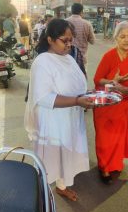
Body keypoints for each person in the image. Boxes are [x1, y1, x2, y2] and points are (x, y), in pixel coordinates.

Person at [24, 19, 94, 201]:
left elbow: (76, 85)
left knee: (66, 154)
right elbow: (45, 98)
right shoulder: (42, 62)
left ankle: (62, 186)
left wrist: (89, 95)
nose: (69, 45)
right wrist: (78, 100)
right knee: (52, 158)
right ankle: (43, 193)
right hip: (52, 120)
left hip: (70, 117)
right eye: (65, 40)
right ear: (50, 40)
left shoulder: (69, 59)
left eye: (71, 40)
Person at [93, 21, 128, 184]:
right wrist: (112, 81)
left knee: (119, 138)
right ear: (116, 39)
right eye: (123, 37)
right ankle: (104, 168)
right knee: (105, 138)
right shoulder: (109, 56)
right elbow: (97, 79)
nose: (127, 40)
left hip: (125, 104)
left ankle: (115, 164)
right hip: (106, 104)